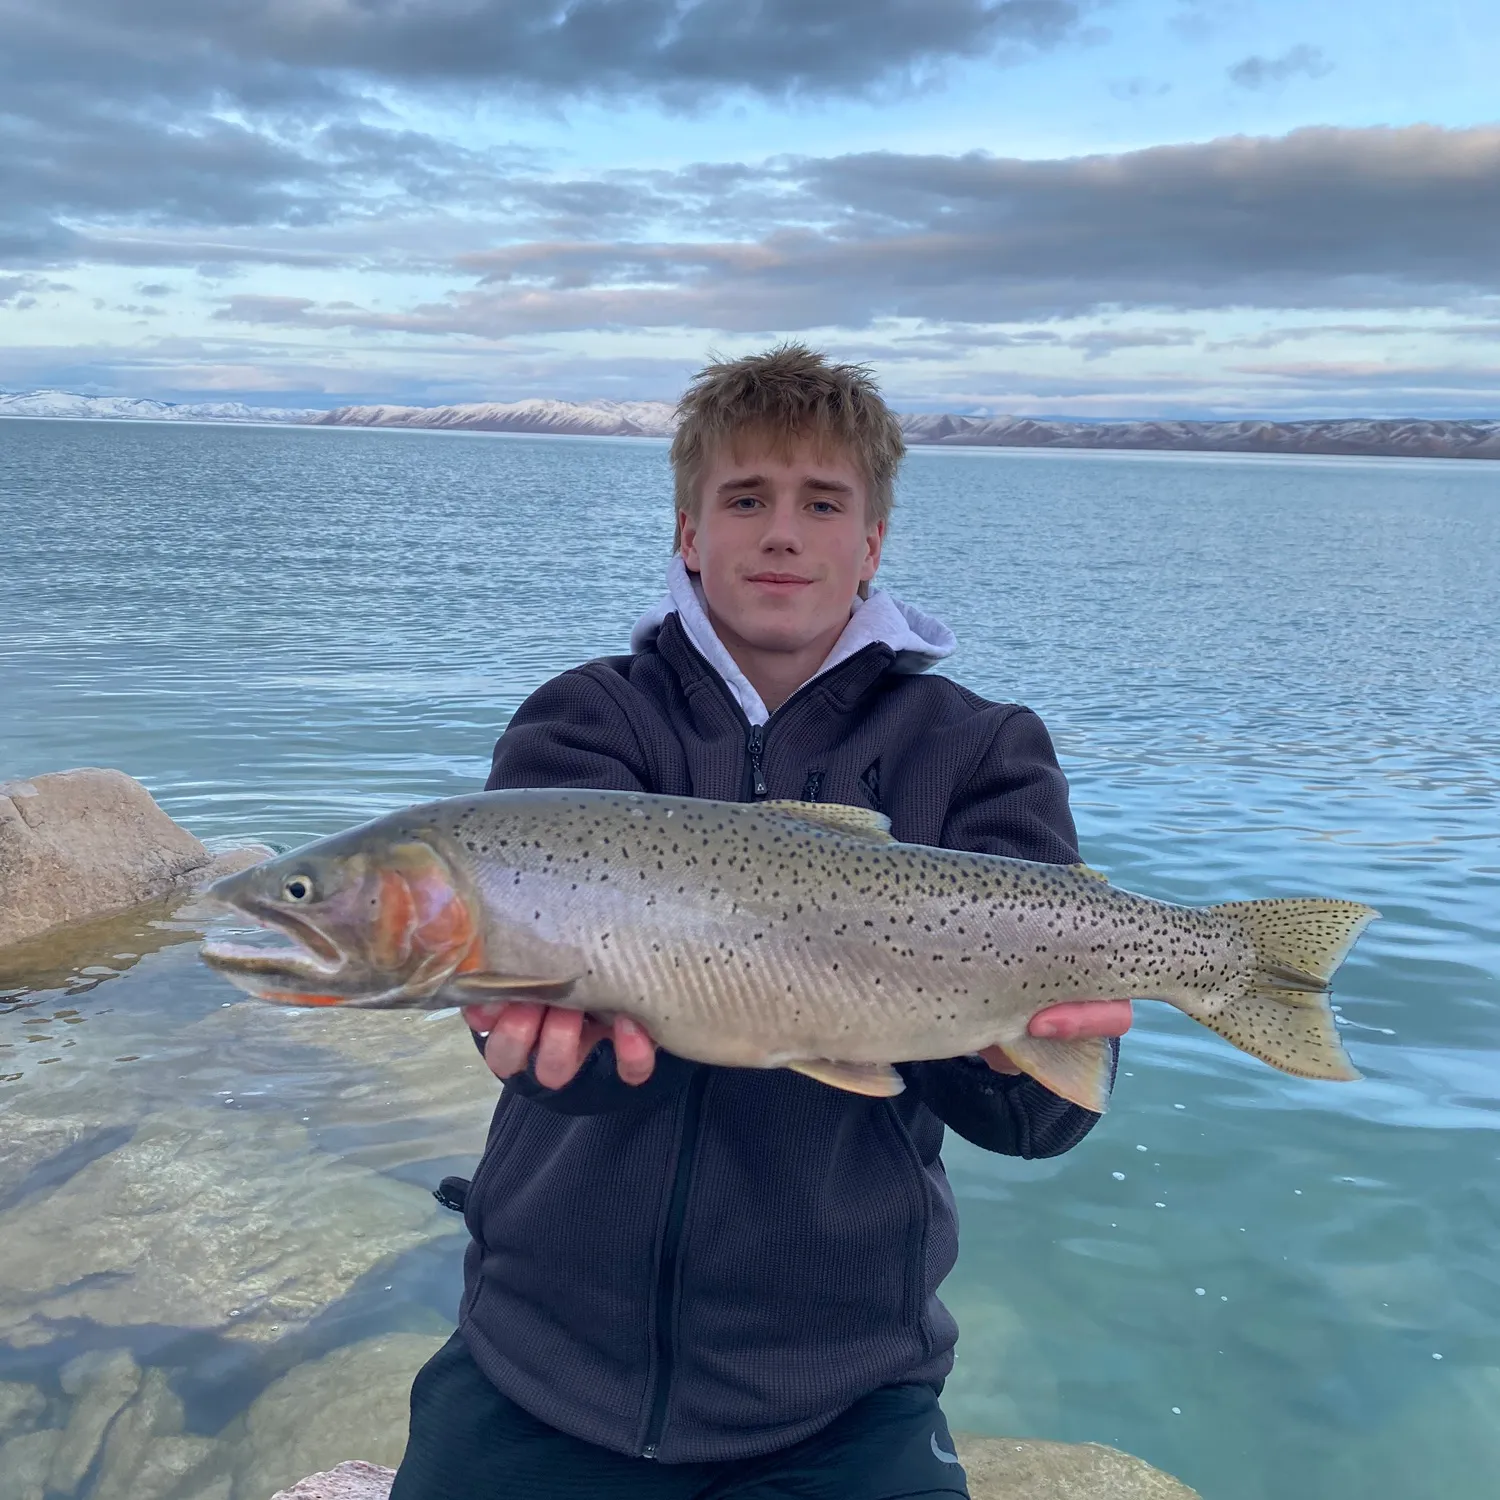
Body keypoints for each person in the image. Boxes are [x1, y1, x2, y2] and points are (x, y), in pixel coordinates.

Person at [389, 345, 1132, 1500]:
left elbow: (1039, 1124)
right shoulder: (583, 720)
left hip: (847, 1393)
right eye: (746, 499)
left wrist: (997, 1045)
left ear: (872, 541)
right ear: (689, 531)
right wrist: (546, 1056)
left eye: (821, 502)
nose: (782, 533)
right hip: (537, 1358)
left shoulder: (983, 750)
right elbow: (542, 1054)